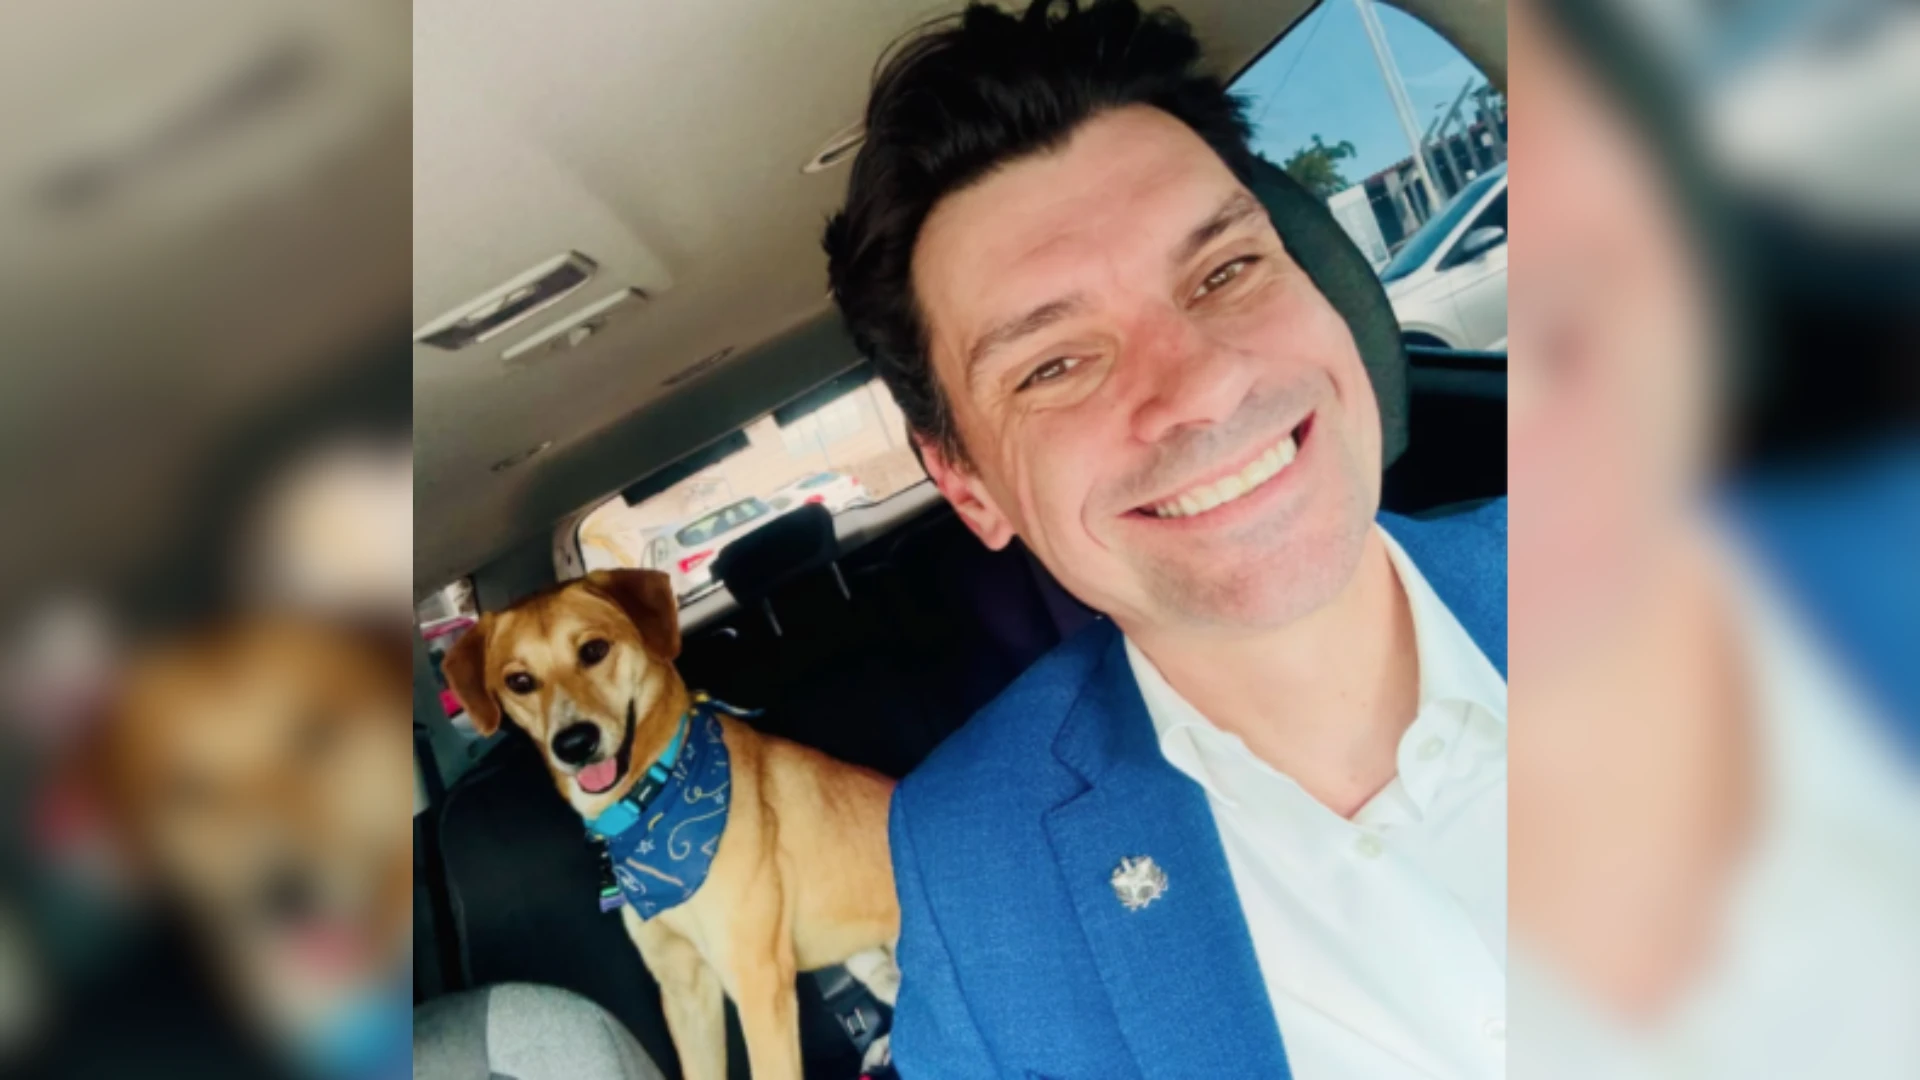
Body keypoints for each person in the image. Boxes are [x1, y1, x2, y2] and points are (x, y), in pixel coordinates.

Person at [824, 1, 1506, 1077]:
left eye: (1225, 272)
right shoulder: (977, 865)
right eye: (1054, 365)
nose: (1202, 386)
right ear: (967, 484)